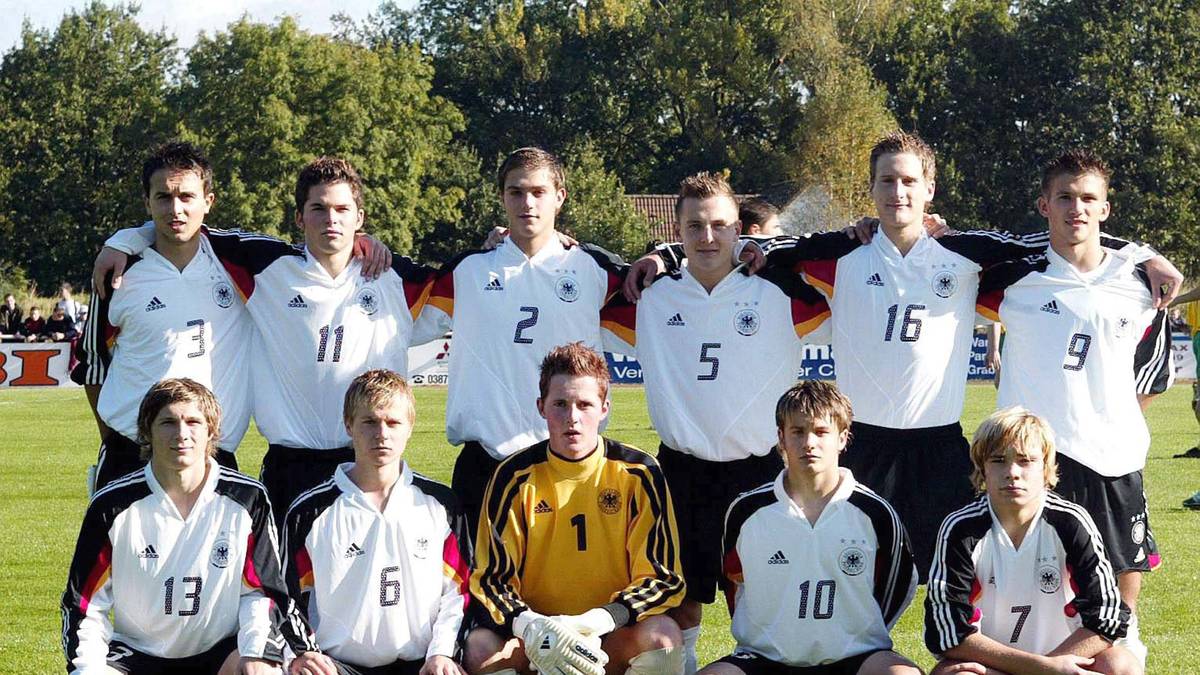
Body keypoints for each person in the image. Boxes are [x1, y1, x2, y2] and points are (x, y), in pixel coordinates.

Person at [757, 131, 1180, 581]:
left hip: (939, 447)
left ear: (929, 189)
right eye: (886, 181)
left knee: (960, 575)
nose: (898, 192)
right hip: (862, 443)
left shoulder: (966, 253)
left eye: (908, 181)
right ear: (872, 188)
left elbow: (1061, 239)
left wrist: (1143, 254)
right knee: (849, 575)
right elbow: (769, 252)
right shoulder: (840, 252)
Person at [601, 172, 861, 673]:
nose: (707, 238)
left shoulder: (782, 293)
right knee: (681, 588)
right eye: (694, 226)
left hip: (760, 470)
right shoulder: (649, 296)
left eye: (720, 225)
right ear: (676, 230)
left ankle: (758, 663)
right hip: (681, 468)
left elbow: (829, 262)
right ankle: (688, 663)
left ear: (738, 229)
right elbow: (578, 272)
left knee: (760, 587)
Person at [94, 155, 423, 528]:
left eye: (342, 210)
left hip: (232, 455)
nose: (331, 219)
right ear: (299, 217)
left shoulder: (391, 277)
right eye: (318, 208)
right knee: (119, 575)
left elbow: (457, 281)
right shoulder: (261, 267)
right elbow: (91, 366)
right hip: (150, 453)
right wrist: (124, 239)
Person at [976, 149, 1176, 664]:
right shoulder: (1012, 278)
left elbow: (1152, 379)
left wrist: (1107, 420)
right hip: (1031, 463)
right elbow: (951, 250)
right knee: (1027, 582)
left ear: (1105, 209)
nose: (1076, 209)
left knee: (1118, 608)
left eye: (1089, 198)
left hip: (1111, 461)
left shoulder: (1143, 286)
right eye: (1064, 197)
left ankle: (1122, 647)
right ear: (1044, 205)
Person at [416, 147, 637, 537]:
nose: (527, 203)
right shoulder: (468, 270)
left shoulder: (594, 271)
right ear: (502, 197)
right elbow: (397, 313)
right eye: (516, 192)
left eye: (538, 192)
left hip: (570, 466)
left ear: (560, 196)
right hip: (485, 463)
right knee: (479, 595)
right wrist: (364, 247)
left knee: (567, 593)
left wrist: (662, 258)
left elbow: (669, 294)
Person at [466, 342, 685, 675]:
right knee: (480, 646)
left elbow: (663, 579)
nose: (573, 418)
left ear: (605, 407)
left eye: (585, 404)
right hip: (537, 638)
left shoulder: (639, 473)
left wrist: (596, 621)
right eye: (560, 404)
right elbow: (491, 579)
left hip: (608, 636)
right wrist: (530, 626)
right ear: (541, 407)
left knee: (662, 636)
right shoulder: (513, 477)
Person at [61, 378, 294, 675]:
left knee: (266, 669)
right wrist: (87, 668)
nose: (182, 434)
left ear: (212, 430)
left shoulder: (247, 499)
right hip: (134, 655)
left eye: (193, 422)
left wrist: (256, 651)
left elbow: (262, 592)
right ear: (146, 431)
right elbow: (84, 606)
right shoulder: (112, 505)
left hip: (219, 652)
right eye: (168, 422)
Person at [706, 381, 920, 675]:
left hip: (857, 657)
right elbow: (734, 582)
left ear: (843, 438)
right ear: (781, 438)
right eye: (797, 432)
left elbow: (899, 585)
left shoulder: (875, 513)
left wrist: (854, 635)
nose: (809, 443)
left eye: (821, 432)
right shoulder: (747, 512)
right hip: (763, 658)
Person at [74, 141, 253, 491]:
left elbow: (314, 250)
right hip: (130, 453)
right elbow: (92, 364)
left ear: (208, 202)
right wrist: (115, 438)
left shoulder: (242, 266)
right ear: (147, 202)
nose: (176, 209)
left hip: (215, 452)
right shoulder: (116, 275)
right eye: (163, 197)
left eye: (187, 197)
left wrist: (363, 242)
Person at [283, 369, 471, 675]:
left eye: (393, 422)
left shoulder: (440, 505)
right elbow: (287, 598)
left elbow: (458, 592)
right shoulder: (310, 511)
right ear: (349, 425)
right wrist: (304, 653)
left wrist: (442, 653)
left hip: (422, 664)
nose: (382, 434)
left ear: (410, 427)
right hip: (338, 666)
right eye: (369, 421)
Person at [926, 407, 1139, 675]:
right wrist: (1038, 667)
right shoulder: (960, 529)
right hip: (994, 667)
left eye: (1026, 461)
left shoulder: (1071, 522)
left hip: (1065, 660)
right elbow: (946, 632)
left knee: (1120, 665)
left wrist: (1051, 665)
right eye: (999, 460)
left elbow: (1107, 617)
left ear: (1046, 467)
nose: (1012, 472)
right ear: (982, 468)